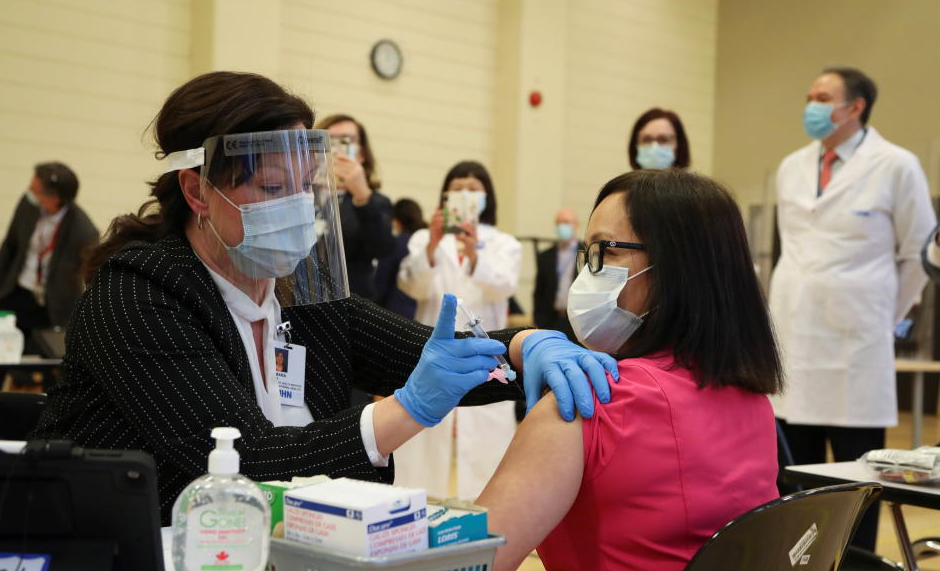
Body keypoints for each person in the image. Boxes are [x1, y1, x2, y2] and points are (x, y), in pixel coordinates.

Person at [30, 72, 617, 522]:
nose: (299, 208)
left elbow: (431, 354)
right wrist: (406, 410)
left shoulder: (300, 295)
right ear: (197, 190)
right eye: (272, 188)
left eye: (305, 188)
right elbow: (249, 465)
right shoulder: (137, 296)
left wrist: (524, 349)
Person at [477, 170, 782, 571]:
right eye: (587, 253)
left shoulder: (588, 401)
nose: (587, 274)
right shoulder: (754, 402)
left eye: (606, 251)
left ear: (676, 267)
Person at [770, 67, 936, 551]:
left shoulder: (896, 165)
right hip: (794, 343)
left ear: (856, 107)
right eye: (809, 96)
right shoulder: (791, 166)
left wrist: (877, 315)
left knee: (856, 480)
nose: (812, 106)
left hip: (855, 351)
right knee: (793, 477)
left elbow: (918, 256)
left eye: (822, 97)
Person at [396, 160, 522, 499]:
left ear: (487, 197)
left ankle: (484, 518)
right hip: (432, 352)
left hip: (485, 356)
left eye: (473, 188)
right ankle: (416, 514)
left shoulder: (504, 243)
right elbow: (412, 286)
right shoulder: (424, 238)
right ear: (445, 195)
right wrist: (433, 247)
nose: (465, 193)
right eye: (458, 186)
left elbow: (504, 286)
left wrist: (476, 256)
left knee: (483, 447)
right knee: (422, 442)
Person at [0, 162, 99, 351]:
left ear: (54, 199)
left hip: (52, 309)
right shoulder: (27, 205)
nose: (28, 192)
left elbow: (90, 278)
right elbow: (9, 246)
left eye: (34, 189)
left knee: (40, 369)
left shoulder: (84, 231)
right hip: (17, 292)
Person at [314, 114, 394, 302]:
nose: (334, 149)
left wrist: (362, 195)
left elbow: (382, 248)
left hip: (354, 302)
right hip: (304, 298)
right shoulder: (303, 195)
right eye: (327, 142)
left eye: (345, 141)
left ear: (361, 154)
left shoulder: (374, 201)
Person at [532, 208, 580, 342]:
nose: (562, 226)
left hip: (577, 322)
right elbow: (538, 291)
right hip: (552, 321)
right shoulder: (546, 256)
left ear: (576, 225)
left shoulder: (587, 253)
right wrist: (539, 321)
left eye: (566, 222)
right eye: (559, 223)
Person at [374, 198, 426, 319]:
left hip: (396, 311)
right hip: (423, 311)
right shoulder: (427, 243)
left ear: (396, 220)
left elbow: (381, 282)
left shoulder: (395, 244)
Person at [627, 107, 691, 170]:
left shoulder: (692, 181)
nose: (654, 147)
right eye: (647, 140)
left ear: (679, 145)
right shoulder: (622, 180)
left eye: (663, 140)